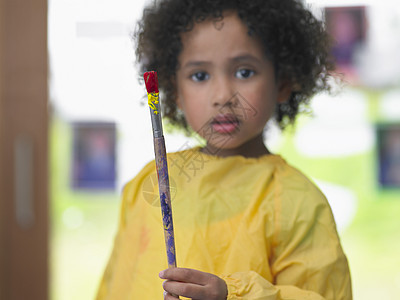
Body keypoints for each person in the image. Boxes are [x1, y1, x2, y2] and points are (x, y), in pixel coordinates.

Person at [96, 0, 352, 299]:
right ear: (174, 90)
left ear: (283, 81)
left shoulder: (297, 203)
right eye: (200, 76)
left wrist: (234, 295)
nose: (222, 96)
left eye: (244, 72)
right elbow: (116, 285)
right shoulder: (150, 183)